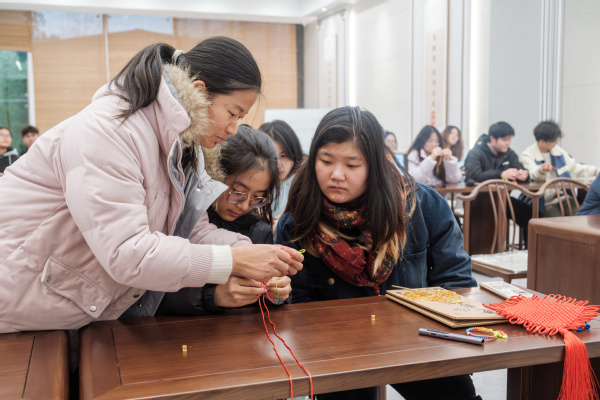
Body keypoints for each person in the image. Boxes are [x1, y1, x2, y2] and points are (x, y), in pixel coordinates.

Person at [0, 37, 303, 334]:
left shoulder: (182, 144)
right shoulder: (109, 131)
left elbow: (190, 230)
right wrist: (234, 260)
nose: (234, 128)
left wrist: (252, 255)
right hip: (19, 304)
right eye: (233, 113)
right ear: (199, 92)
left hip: (67, 313)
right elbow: (127, 253)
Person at [275, 106, 480, 400]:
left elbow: (456, 281)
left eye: (352, 165)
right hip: (337, 349)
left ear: (375, 166)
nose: (336, 175)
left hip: (417, 340)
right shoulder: (300, 221)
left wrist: (442, 338)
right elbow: (297, 303)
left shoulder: (420, 206)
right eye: (326, 161)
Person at [157, 124, 291, 315]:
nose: (244, 205)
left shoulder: (259, 231)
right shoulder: (184, 220)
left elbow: (272, 301)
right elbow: (153, 298)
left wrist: (278, 293)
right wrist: (214, 296)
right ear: (214, 175)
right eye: (238, 192)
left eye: (258, 197)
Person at [464, 121, 531, 245]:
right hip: (478, 202)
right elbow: (473, 175)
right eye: (504, 139)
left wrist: (523, 175)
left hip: (502, 199)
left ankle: (529, 252)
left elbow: (519, 168)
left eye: (509, 139)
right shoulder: (476, 152)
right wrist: (500, 174)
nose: (508, 143)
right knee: (489, 224)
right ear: (492, 138)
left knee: (531, 216)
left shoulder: (509, 153)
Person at [520, 120, 599, 217]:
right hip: (544, 200)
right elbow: (533, 174)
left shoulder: (557, 151)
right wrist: (541, 170)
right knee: (557, 219)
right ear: (542, 142)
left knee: (578, 216)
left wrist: (596, 171)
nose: (556, 143)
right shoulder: (527, 154)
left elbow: (574, 168)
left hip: (563, 196)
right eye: (553, 141)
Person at [259, 119, 303, 218]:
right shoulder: (254, 184)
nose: (278, 164)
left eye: (283, 156)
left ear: (294, 152)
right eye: (272, 157)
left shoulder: (305, 184)